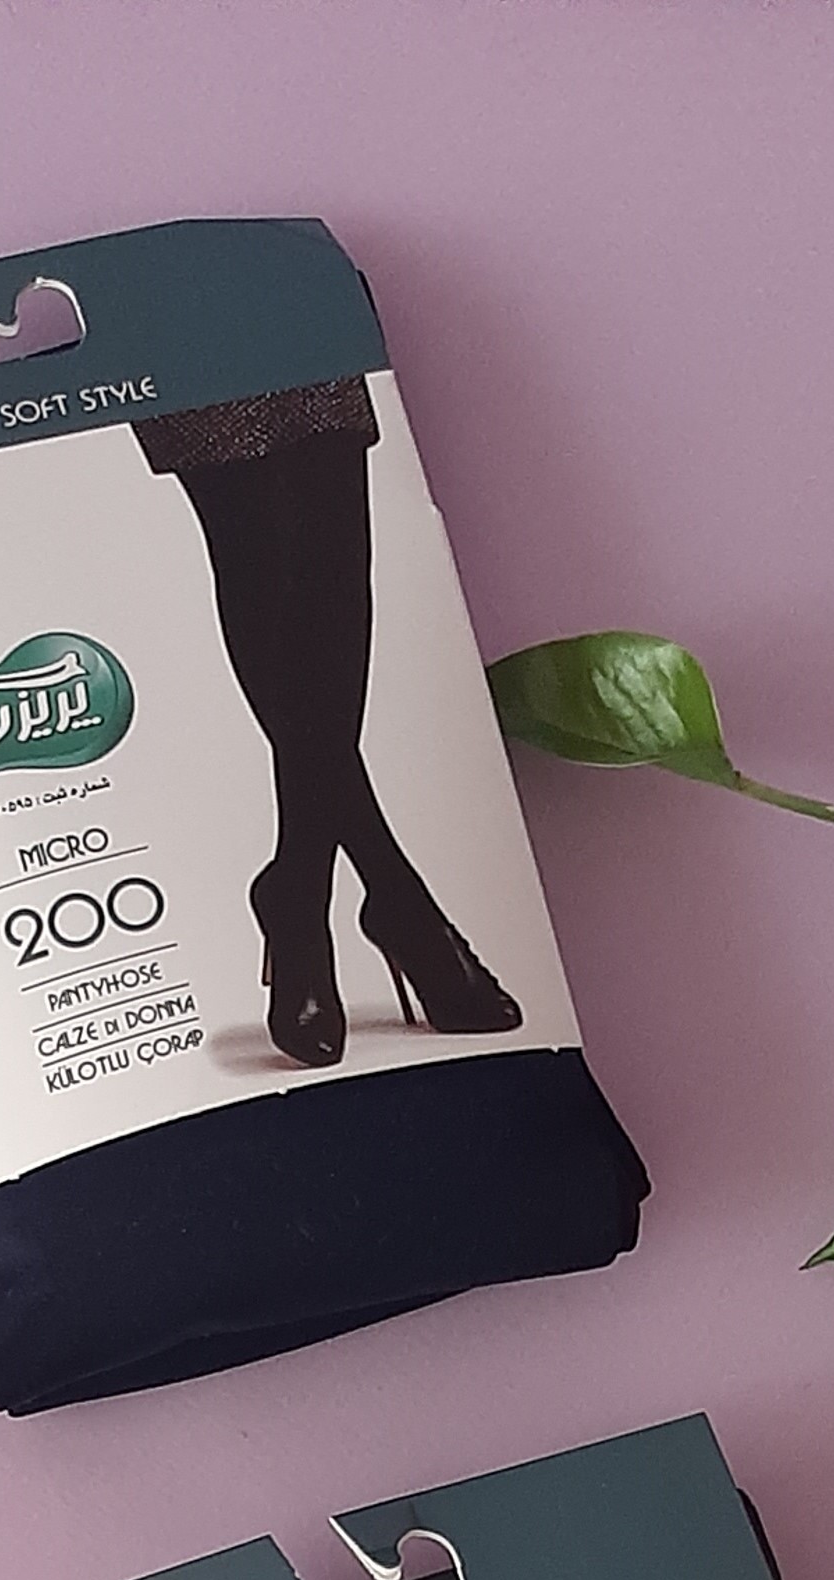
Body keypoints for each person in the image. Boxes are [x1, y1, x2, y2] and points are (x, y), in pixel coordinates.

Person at [135, 381, 521, 1068]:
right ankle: (387, 899)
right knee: (249, 530)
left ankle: (303, 887)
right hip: (169, 321)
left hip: (288, 313)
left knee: (332, 531)